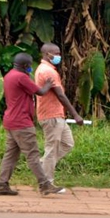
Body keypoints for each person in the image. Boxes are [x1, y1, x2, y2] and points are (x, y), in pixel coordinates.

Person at [0, 53, 64, 196]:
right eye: (29, 65)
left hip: (10, 121)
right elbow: (40, 92)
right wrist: (48, 84)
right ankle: (44, 184)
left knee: (10, 155)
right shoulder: (21, 77)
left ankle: (2, 185)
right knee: (32, 155)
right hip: (22, 123)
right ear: (26, 66)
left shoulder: (9, 75)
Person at [35, 43, 84, 188]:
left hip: (57, 115)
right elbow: (61, 95)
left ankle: (42, 165)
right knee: (51, 148)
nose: (58, 56)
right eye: (56, 53)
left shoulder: (45, 69)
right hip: (51, 116)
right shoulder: (47, 71)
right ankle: (46, 183)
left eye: (59, 53)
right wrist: (76, 115)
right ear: (47, 54)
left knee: (67, 144)